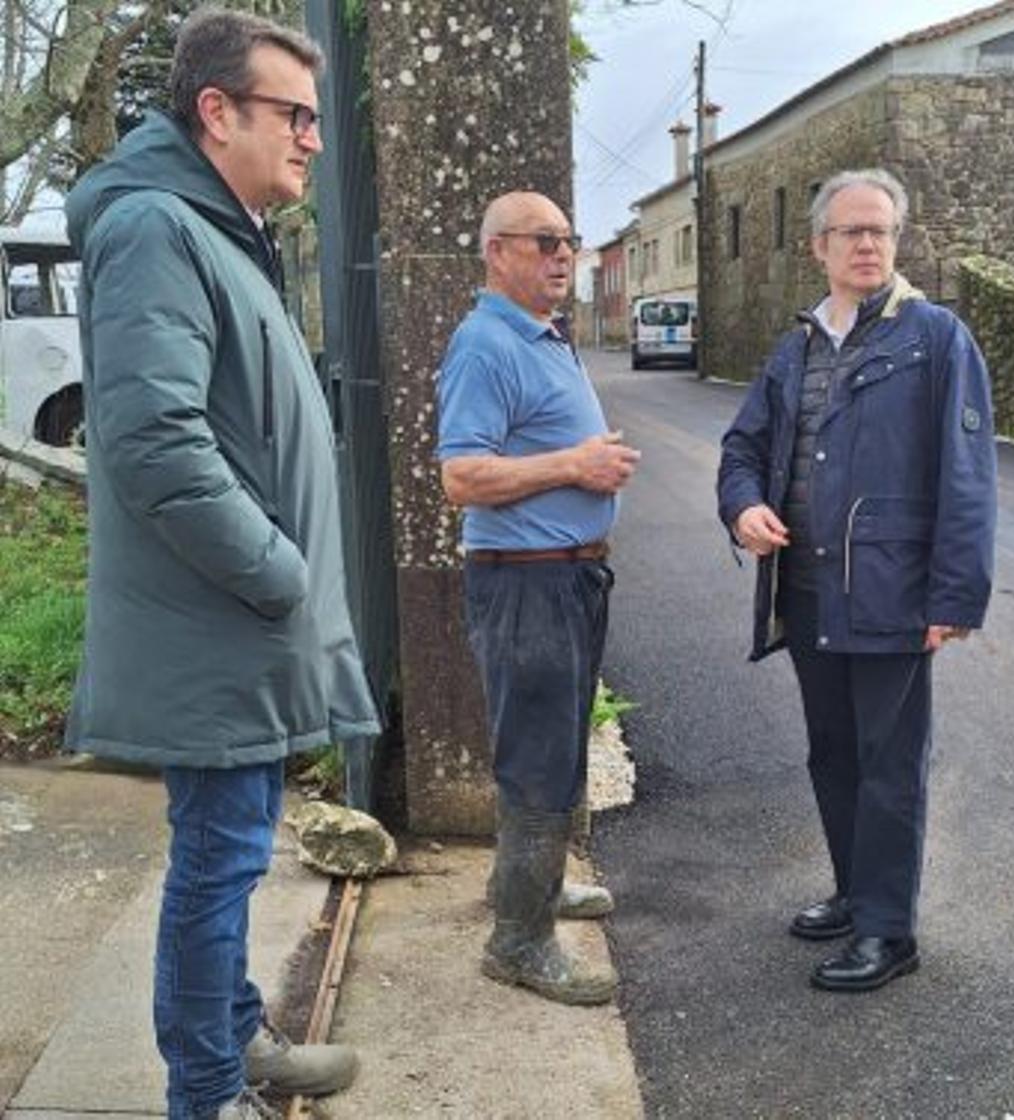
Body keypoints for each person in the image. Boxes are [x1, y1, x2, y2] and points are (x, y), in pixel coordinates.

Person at [63, 9, 379, 1117]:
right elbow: (155, 441)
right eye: (294, 115)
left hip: (237, 625)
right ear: (216, 111)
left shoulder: (219, 229)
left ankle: (233, 1039)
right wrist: (280, 573)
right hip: (220, 622)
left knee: (228, 857)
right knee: (217, 860)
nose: (312, 139)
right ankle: (206, 1093)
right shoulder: (160, 228)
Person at [717, 168, 996, 993]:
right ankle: (853, 891)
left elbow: (968, 475)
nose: (869, 244)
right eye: (853, 231)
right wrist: (743, 508)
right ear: (820, 246)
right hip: (806, 591)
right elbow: (741, 449)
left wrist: (954, 595)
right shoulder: (796, 348)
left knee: (889, 764)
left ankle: (887, 930)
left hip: (892, 593)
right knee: (834, 755)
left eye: (882, 230)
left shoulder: (936, 339)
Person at [437, 190, 640, 1005]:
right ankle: (518, 943)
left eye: (570, 240)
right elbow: (461, 476)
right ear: (498, 252)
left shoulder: (542, 334)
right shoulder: (486, 344)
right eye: (545, 241)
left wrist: (586, 464)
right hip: (527, 584)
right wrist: (575, 466)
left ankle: (531, 888)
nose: (564, 256)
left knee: (554, 740)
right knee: (537, 756)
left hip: (565, 577)